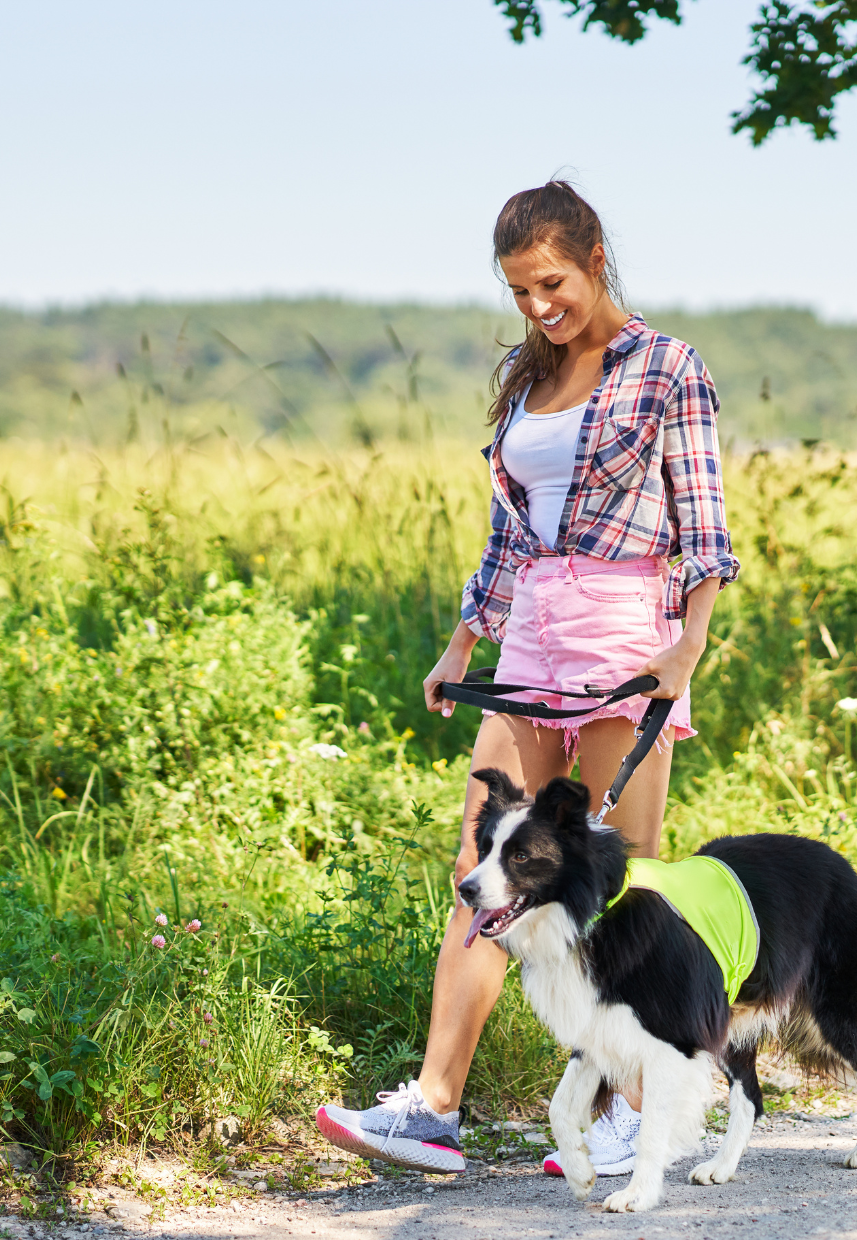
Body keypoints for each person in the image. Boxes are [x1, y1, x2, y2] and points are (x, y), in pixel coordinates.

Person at [315, 181, 740, 1179]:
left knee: (619, 879)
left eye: (548, 282)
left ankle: (638, 1105)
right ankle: (431, 1107)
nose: (536, 305)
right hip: (531, 638)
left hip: (621, 632)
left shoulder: (667, 367)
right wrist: (465, 639)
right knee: (482, 864)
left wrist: (687, 646)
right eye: (516, 289)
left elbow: (705, 527)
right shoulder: (526, 376)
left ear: (593, 256)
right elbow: (511, 529)